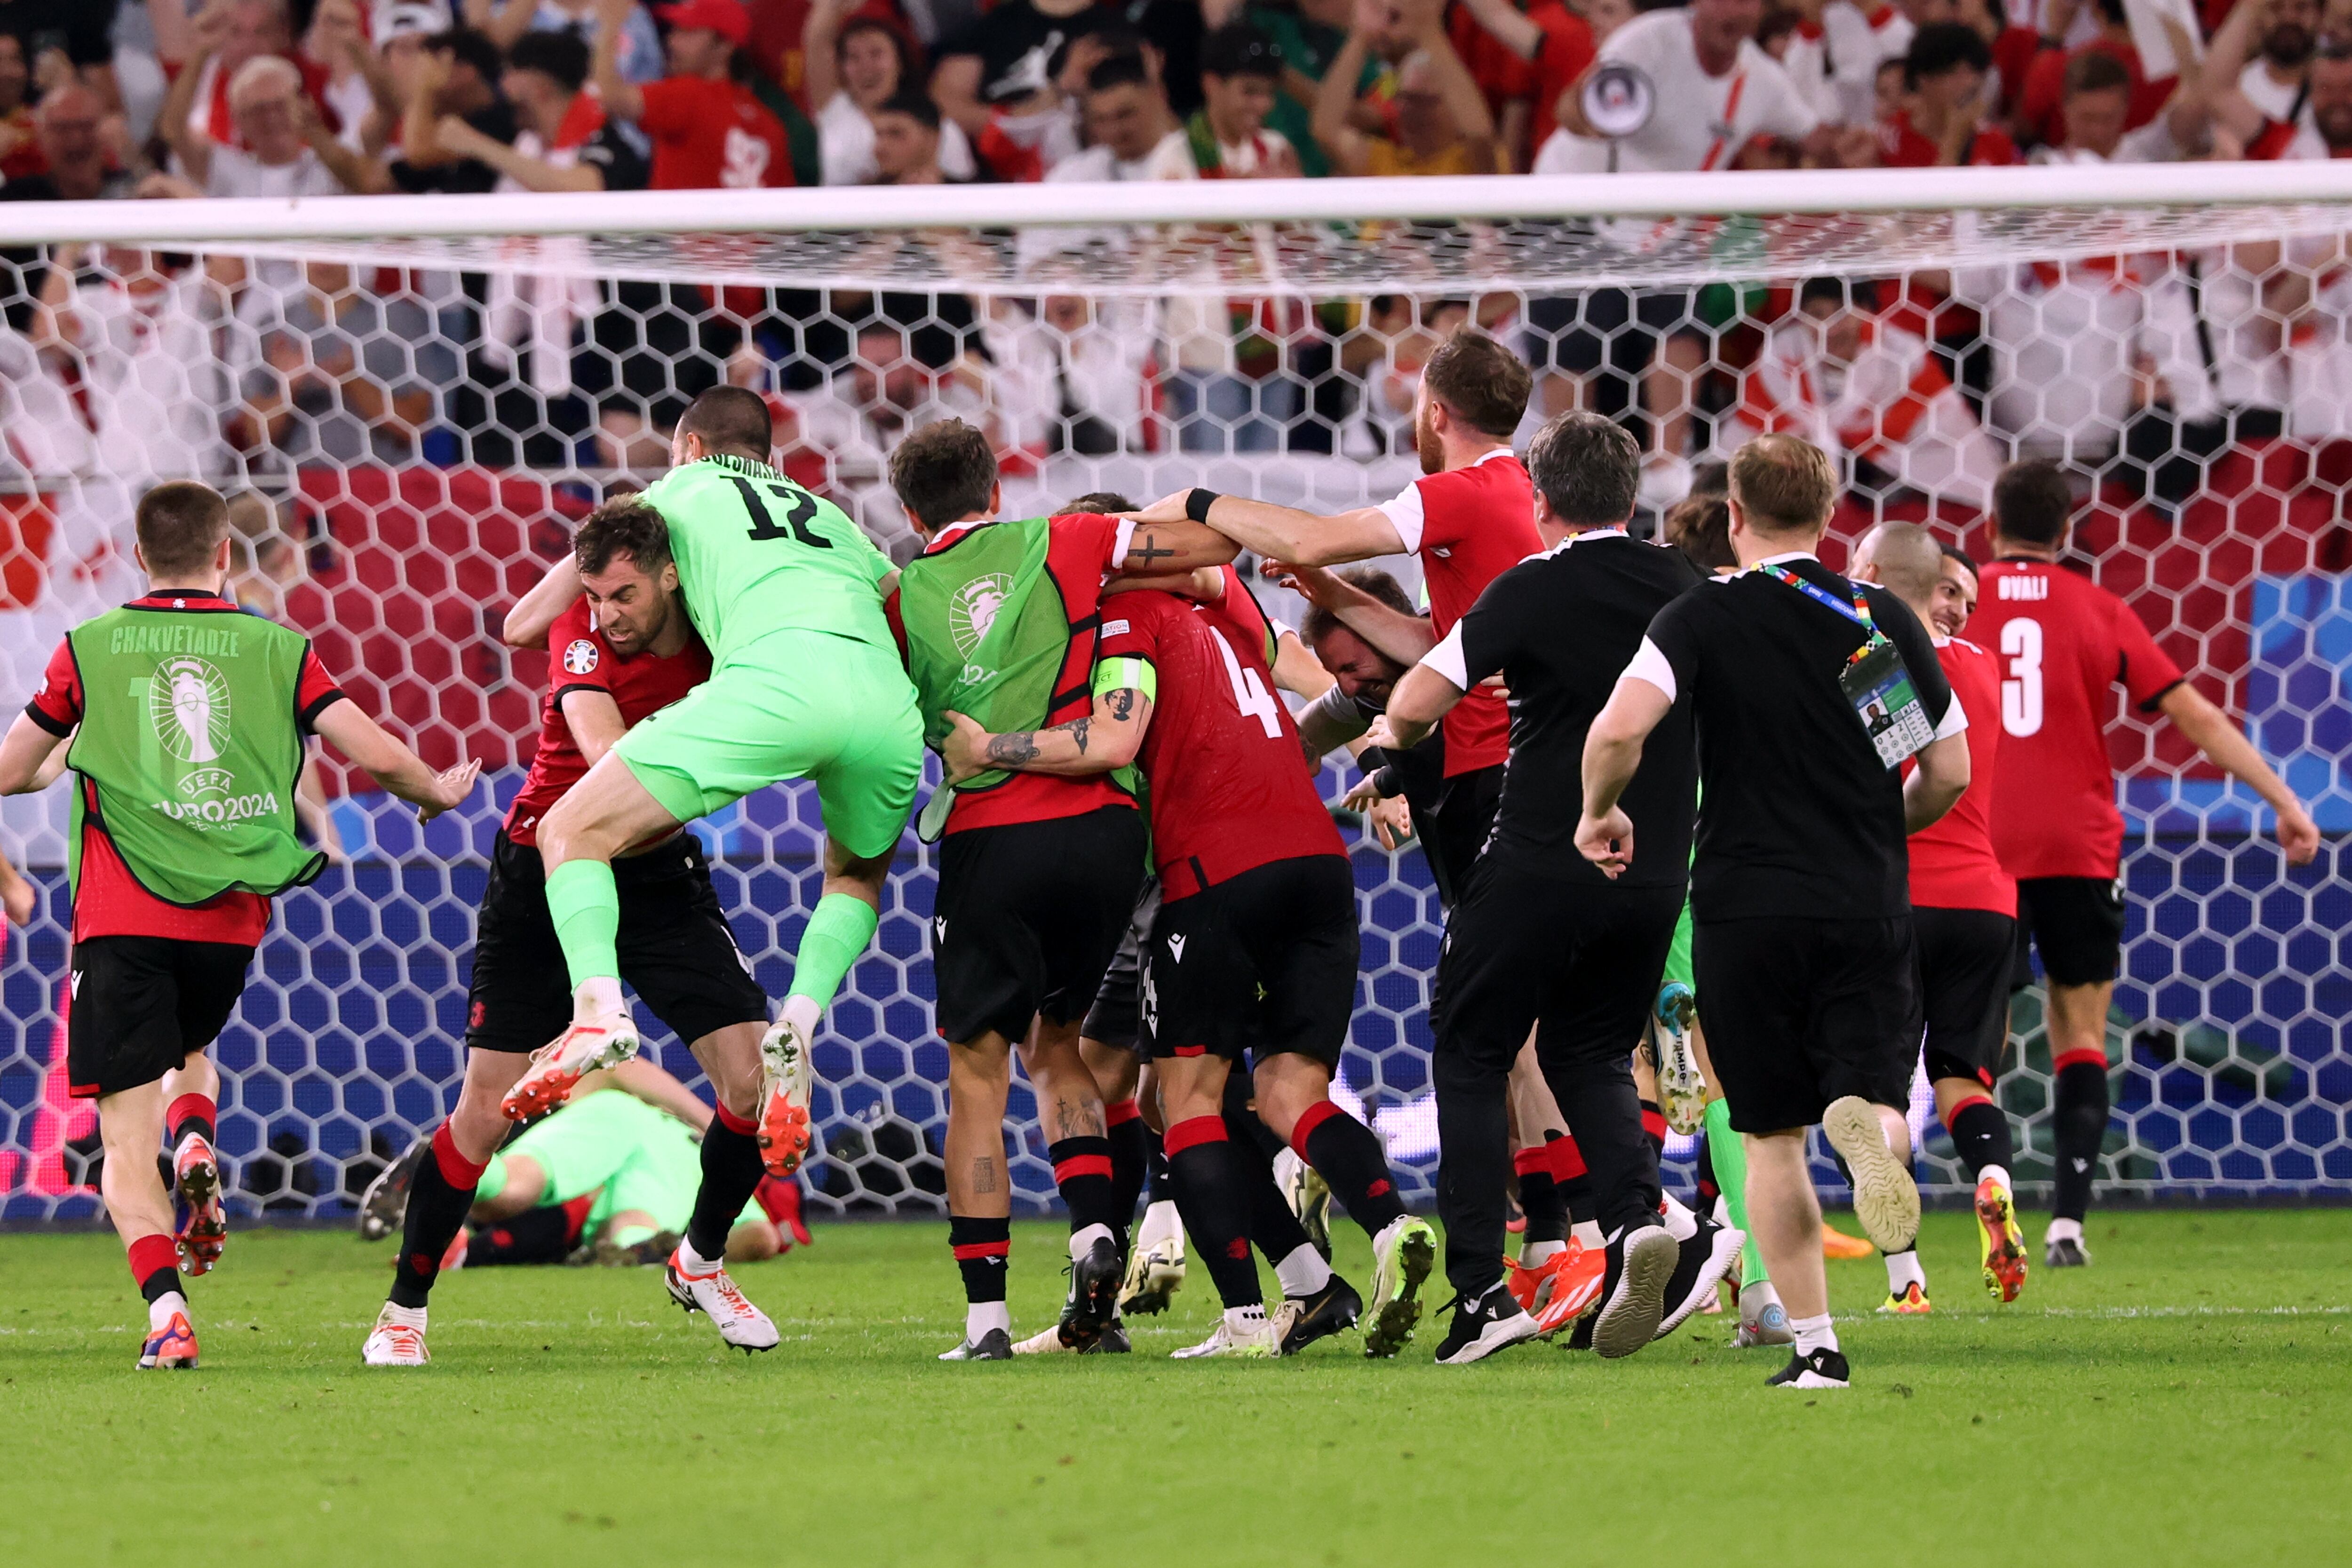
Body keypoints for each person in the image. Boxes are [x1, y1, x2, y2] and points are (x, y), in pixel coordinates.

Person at [0, 480, 477, 1371]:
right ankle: (198, 1135)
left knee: (118, 1142)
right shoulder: (279, 647)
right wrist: (433, 791)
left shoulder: (89, 648)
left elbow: (13, 771)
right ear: (226, 556)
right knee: (193, 1049)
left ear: (140, 556)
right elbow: (370, 750)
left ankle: (167, 1311)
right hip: (228, 924)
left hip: (120, 917)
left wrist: (62, 754)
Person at [940, 568, 1441, 1361]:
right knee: (1274, 1091)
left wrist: (986, 749)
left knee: (1173, 1095)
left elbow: (1111, 739)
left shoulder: (1118, 627)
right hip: (1315, 858)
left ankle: (1233, 1313)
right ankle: (1372, 1236)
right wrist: (1372, 753)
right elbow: (1314, 673)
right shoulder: (1228, 612)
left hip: (1198, 873)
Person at [1577, 434, 1971, 1390]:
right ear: (1832, 518)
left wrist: (1599, 812)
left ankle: (1814, 1348)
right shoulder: (1867, 615)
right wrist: (1881, 829)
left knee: (1768, 1139)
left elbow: (1620, 727)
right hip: (1863, 899)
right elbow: (1943, 769)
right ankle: (1874, 1138)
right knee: (1875, 1096)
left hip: (1746, 907)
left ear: (1735, 517)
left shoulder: (1701, 615)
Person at [363, 500, 789, 1366]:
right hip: (544, 864)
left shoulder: (721, 632)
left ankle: (700, 1260)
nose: (605, 613)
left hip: (661, 873)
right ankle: (403, 1311)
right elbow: (605, 753)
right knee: (483, 1112)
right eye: (592, 593)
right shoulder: (580, 632)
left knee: (755, 1082)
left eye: (623, 594)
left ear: (673, 576)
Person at [1365, 413, 1739, 1364]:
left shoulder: (1526, 587)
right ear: (1629, 498)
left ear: (1541, 502)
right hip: (1653, 875)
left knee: (1471, 1043)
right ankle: (1637, 1224)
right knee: (1590, 1052)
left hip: (1539, 861)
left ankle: (1483, 1291)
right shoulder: (1686, 587)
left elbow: (1422, 692)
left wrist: (1384, 750)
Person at [496, 387, 922, 1202]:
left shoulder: (673, 493)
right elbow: (905, 613)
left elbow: (524, 623)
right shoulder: (836, 520)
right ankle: (798, 1020)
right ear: (773, 455)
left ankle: (597, 1010)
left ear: (688, 445)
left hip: (774, 684)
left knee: (572, 829)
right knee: (856, 874)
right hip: (883, 704)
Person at [879, 420, 1246, 1360]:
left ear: (909, 512)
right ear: (995, 492)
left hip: (988, 834)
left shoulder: (899, 594)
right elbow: (1214, 546)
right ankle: (1093, 1236)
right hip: (1103, 836)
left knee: (978, 1071)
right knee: (1060, 1044)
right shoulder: (1066, 538)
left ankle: (986, 1320)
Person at [1965, 461, 2320, 1267]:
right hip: (2078, 850)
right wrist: (2283, 800)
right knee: (2080, 1032)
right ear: (2066, 534)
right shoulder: (2100, 607)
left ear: (1990, 528)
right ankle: (2068, 1225)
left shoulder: (1961, 601)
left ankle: (1989, 1192)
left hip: (1981, 847)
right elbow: (2193, 714)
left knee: (1972, 1040)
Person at [1849, 523, 2028, 1310]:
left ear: (1882, 578)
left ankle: (1907, 1281)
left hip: (1901, 899)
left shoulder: (1872, 664)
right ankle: (1993, 1180)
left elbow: (1907, 773)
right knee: (1963, 1078)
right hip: (1987, 903)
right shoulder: (1984, 667)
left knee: (1881, 1093)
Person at [592, 0, 790, 190]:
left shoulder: (688, 95)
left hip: (687, 225)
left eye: (688, 32)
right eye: (675, 30)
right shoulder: (770, 124)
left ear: (724, 47)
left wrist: (611, 26)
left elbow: (611, 98)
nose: (672, 41)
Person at [803, 0, 976, 184]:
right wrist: (830, 7)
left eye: (876, 54)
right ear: (842, 69)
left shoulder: (943, 129)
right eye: (853, 57)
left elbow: (966, 195)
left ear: (900, 63)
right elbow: (818, 44)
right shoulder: (837, 111)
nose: (866, 67)